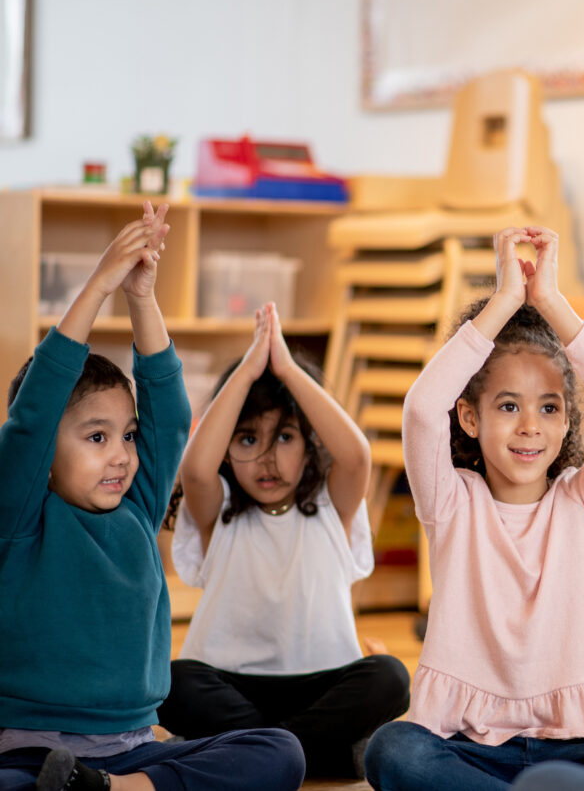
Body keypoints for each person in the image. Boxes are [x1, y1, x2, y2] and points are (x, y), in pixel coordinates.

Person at [363, 226, 584, 791]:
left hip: (576, 754)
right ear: (470, 417)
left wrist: (551, 303)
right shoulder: (450, 502)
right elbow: (421, 412)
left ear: (567, 421)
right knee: (393, 750)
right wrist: (503, 304)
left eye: (548, 408)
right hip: (470, 751)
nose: (528, 427)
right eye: (508, 405)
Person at [0, 203, 306, 791]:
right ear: (43, 457)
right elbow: (32, 417)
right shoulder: (20, 517)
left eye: (127, 436)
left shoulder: (136, 510)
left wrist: (140, 296)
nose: (121, 454)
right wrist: (99, 286)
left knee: (280, 752)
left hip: (135, 751)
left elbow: (168, 415)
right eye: (96, 437)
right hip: (31, 758)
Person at [157, 301, 410, 779]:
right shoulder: (219, 510)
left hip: (319, 684)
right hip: (230, 685)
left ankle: (251, 755)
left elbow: (356, 455)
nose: (268, 459)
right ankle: (310, 756)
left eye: (285, 437)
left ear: (311, 441)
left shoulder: (333, 507)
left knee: (390, 678)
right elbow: (194, 467)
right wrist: (250, 368)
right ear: (227, 449)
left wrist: (287, 369)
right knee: (170, 682)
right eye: (248, 439)